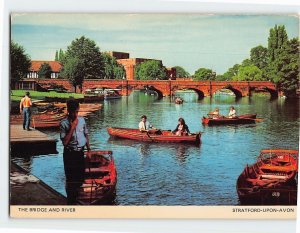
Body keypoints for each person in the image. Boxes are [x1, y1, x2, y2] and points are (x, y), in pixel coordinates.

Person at [60, 99, 91, 204]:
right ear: (69, 111)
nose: (76, 114)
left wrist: (89, 149)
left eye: (77, 112)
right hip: (70, 154)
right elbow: (64, 142)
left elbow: (86, 134)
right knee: (71, 179)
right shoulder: (63, 123)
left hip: (80, 153)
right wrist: (72, 127)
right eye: (74, 112)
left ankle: (78, 199)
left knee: (80, 177)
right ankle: (71, 202)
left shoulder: (82, 120)